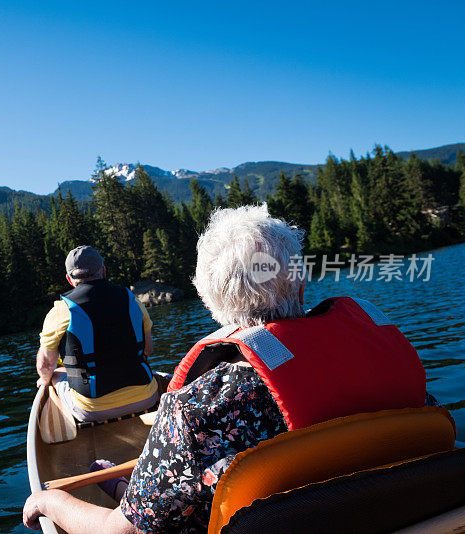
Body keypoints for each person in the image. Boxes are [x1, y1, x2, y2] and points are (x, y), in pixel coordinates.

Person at [24, 204, 431, 533]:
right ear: (301, 283)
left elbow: (125, 533)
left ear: (212, 303)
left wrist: (49, 500)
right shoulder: (384, 352)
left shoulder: (197, 410)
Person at [36, 245, 159, 423]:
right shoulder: (132, 300)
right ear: (103, 270)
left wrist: (44, 380)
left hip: (92, 410)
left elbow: (45, 365)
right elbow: (148, 349)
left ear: (69, 279)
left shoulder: (62, 310)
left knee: (54, 374)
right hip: (147, 398)